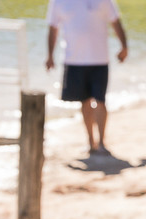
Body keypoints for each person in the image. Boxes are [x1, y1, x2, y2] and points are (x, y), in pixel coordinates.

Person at [45, 0, 128, 156]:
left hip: (100, 59)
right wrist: (50, 55)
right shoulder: (58, 2)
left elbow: (116, 22)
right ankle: (91, 142)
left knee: (100, 101)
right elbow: (53, 28)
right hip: (74, 60)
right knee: (85, 101)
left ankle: (102, 142)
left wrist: (124, 46)